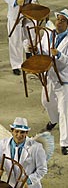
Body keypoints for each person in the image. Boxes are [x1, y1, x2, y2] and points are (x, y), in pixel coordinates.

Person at [39, 9, 68, 155]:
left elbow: (66, 61)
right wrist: (34, 49)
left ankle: (64, 143)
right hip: (50, 75)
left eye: (63, 20)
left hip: (64, 79)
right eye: (58, 19)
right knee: (46, 101)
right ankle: (53, 119)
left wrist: (60, 55)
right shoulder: (50, 34)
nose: (59, 22)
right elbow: (43, 50)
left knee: (64, 111)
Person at [0, 118, 47, 186]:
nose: (19, 135)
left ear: (26, 133)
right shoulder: (3, 143)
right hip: (10, 184)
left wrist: (29, 180)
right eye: (16, 131)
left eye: (22, 132)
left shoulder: (36, 147)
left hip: (28, 186)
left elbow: (42, 169)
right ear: (12, 131)